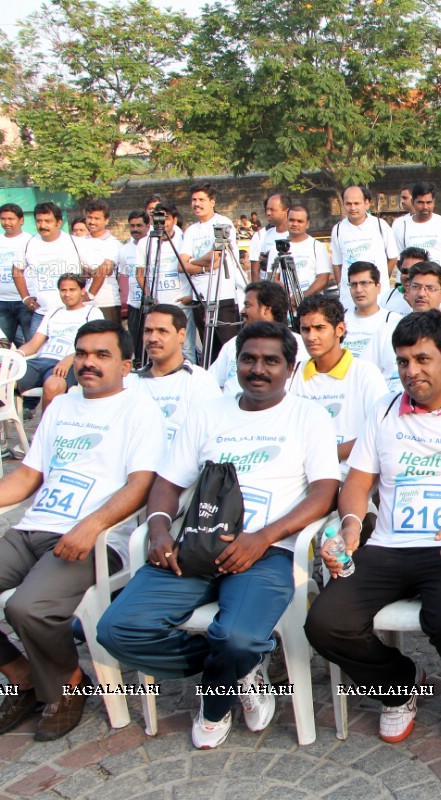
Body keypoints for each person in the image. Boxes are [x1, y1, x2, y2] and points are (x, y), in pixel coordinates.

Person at [97, 321, 341, 751]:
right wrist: (156, 527)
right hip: (195, 546)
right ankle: (233, 670)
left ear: (291, 366)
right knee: (119, 630)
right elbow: (169, 483)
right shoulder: (207, 413)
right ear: (236, 364)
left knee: (239, 638)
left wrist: (263, 537)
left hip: (266, 552)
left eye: (271, 361)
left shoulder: (309, 416)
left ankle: (215, 700)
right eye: (248, 359)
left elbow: (324, 493)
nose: (258, 369)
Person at [305, 310, 441, 743]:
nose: (412, 371)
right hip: (389, 546)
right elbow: (357, 481)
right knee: (326, 623)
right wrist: (351, 526)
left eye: (423, 359)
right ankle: (399, 684)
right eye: (404, 361)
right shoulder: (385, 411)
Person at [0, 320, 163, 740]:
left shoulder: (139, 410)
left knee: (27, 608)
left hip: (97, 537)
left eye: (101, 355)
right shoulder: (62, 407)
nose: (87, 363)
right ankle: (22, 676)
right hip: (33, 527)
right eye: (82, 353)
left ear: (126, 364)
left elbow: (140, 484)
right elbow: (25, 478)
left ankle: (68, 683)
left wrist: (91, 526)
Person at [290, 294, 388, 462]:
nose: (311, 337)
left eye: (319, 328)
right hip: (298, 474)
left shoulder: (365, 373)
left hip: (347, 475)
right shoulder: (292, 374)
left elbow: (380, 432)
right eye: (305, 329)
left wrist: (320, 456)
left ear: (340, 329)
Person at [127, 303, 222, 444]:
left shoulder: (200, 382)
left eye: (162, 331)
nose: (152, 338)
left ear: (181, 335)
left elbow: (211, 436)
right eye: (148, 331)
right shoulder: (129, 382)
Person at [16, 274, 104, 409]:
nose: (67, 294)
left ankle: (47, 428)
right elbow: (34, 344)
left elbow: (94, 345)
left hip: (67, 363)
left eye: (72, 290)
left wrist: (71, 358)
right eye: (63, 290)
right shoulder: (53, 312)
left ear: (82, 291)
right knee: (3, 377)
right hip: (41, 360)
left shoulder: (92, 312)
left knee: (53, 386)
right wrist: (16, 355)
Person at [179, 183, 241, 362]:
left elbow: (216, 256)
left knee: (229, 349)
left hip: (222, 296)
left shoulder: (222, 223)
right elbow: (181, 265)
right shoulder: (191, 231)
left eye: (201, 200)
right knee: (210, 351)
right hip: (200, 298)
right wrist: (202, 265)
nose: (197, 204)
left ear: (212, 202)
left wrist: (192, 262)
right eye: (194, 200)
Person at [208, 281, 305, 395]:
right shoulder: (233, 344)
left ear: (266, 310)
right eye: (247, 359)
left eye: (248, 305)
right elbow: (210, 384)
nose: (242, 311)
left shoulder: (299, 346)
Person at [134, 202, 196, 363]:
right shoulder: (145, 242)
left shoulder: (184, 239)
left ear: (174, 220)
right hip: (158, 305)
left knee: (186, 347)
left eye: (166, 218)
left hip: (181, 303)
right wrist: (150, 296)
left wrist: (191, 295)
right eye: (157, 218)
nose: (162, 222)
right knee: (158, 346)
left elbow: (193, 267)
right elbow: (139, 274)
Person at [370, 262, 441, 391]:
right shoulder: (387, 330)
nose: (422, 293)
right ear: (408, 291)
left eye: (430, 288)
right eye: (416, 287)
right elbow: (367, 372)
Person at [12, 202, 85, 334]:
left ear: (58, 223)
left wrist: (89, 294)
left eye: (48, 221)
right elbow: (17, 270)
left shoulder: (75, 242)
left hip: (71, 314)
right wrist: (25, 298)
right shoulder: (29, 243)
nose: (43, 225)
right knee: (35, 352)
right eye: (39, 221)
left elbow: (99, 269)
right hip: (41, 314)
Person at [331, 185, 399, 311]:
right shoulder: (338, 230)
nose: (352, 208)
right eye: (348, 204)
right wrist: (343, 286)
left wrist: (380, 278)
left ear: (367, 203)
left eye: (357, 203)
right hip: (350, 298)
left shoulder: (380, 226)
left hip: (378, 296)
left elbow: (393, 258)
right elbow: (337, 263)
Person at [263, 205, 332, 298]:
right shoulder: (277, 247)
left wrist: (301, 298)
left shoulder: (317, 247)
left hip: (310, 305)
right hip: (285, 306)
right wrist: (288, 297)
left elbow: (322, 279)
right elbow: (273, 278)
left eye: (300, 221)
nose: (295, 224)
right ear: (287, 221)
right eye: (291, 220)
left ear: (307, 224)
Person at [392, 181, 441, 270]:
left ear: (434, 202)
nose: (425, 207)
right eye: (420, 202)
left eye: (428, 202)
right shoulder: (401, 226)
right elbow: (399, 259)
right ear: (413, 202)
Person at [342, 262, 402, 359]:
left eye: (364, 283)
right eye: (353, 284)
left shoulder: (392, 320)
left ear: (378, 287)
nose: (358, 290)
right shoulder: (339, 319)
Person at [78, 200, 121, 323]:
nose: (92, 221)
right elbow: (75, 268)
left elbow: (105, 270)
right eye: (89, 217)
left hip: (106, 302)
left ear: (106, 220)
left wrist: (90, 294)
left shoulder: (113, 243)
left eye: (97, 218)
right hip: (83, 303)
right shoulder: (79, 241)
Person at [0, 203, 34, 346]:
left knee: (31, 343)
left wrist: (27, 298)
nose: (6, 222)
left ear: (21, 220)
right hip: (2, 302)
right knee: (3, 346)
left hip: (26, 302)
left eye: (11, 218)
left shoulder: (30, 241)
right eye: (3, 219)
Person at [119, 211, 149, 358]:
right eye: (132, 226)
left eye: (139, 225)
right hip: (134, 304)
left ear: (148, 226)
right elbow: (124, 275)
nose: (135, 229)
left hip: (151, 302)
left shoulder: (153, 245)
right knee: (136, 341)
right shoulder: (124, 249)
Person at [246, 194, 290, 282]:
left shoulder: (296, 235)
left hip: (293, 287)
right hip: (270, 289)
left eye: (272, 210)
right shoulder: (262, 235)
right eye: (267, 209)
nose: (268, 213)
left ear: (285, 210)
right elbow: (255, 269)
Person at [382, 246, 431, 315]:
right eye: (405, 271)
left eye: (414, 272)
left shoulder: (433, 298)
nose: (408, 276)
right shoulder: (388, 295)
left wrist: (414, 306)